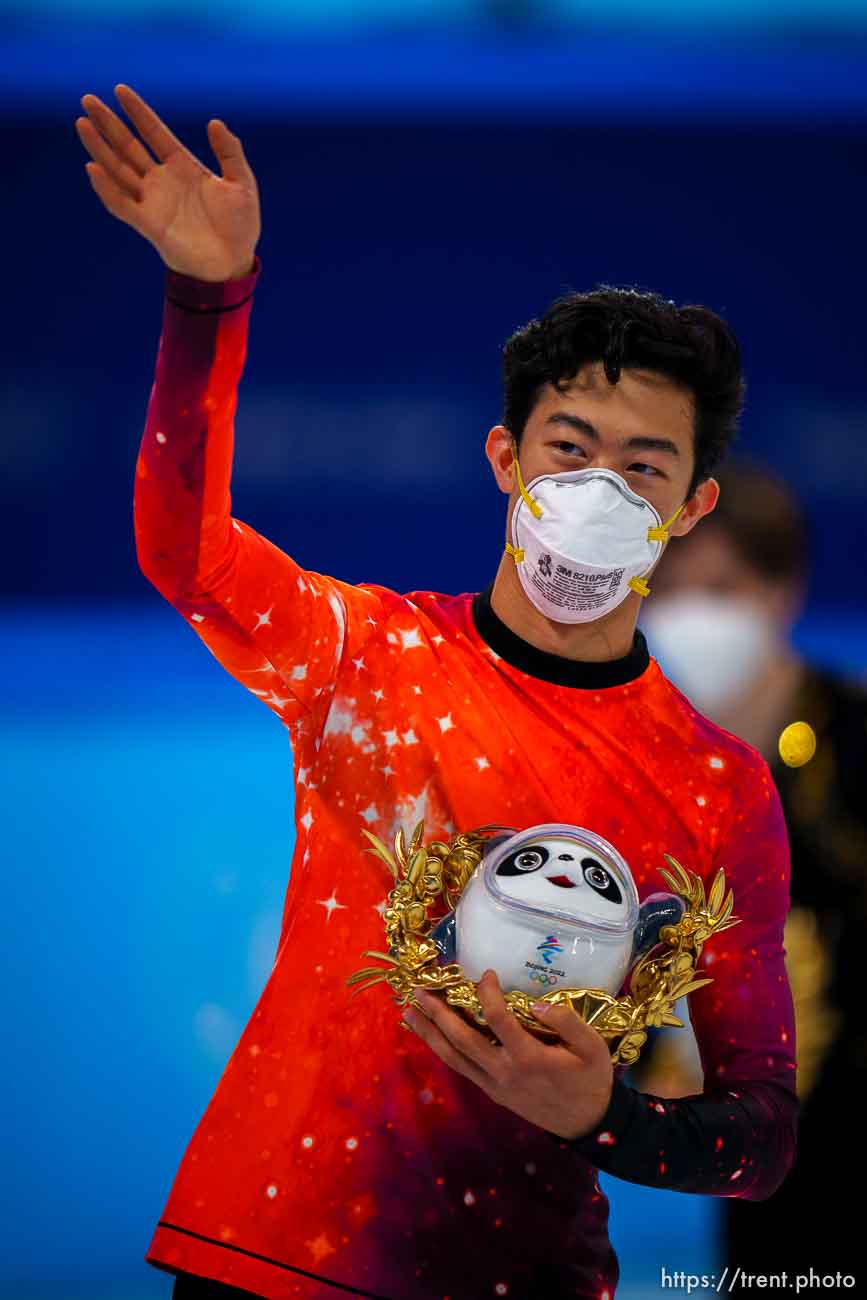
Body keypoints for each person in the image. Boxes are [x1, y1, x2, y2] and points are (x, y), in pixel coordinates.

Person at [75, 84, 798, 1300]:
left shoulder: (715, 787)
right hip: (269, 1257)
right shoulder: (364, 652)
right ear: (505, 462)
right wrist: (209, 299)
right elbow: (182, 553)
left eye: (645, 467)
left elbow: (763, 1135)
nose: (600, 490)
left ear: (691, 509)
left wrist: (603, 1116)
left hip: (527, 1276)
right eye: (569, 450)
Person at [637, 462, 867, 1279]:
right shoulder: (622, 765)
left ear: (783, 592)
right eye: (668, 593)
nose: (693, 618)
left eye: (723, 589)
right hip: (734, 1158)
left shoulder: (853, 740)